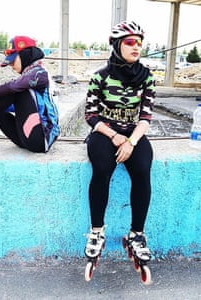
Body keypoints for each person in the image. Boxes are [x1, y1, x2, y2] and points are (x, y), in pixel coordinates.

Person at [84, 21, 155, 261]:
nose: (137, 47)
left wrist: (130, 142)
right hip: (105, 132)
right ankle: (96, 231)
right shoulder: (100, 77)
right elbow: (90, 115)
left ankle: (136, 234)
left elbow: (146, 117)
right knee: (102, 168)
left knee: (143, 169)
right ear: (117, 45)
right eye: (130, 42)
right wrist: (114, 136)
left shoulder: (147, 77)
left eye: (140, 43)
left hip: (133, 133)